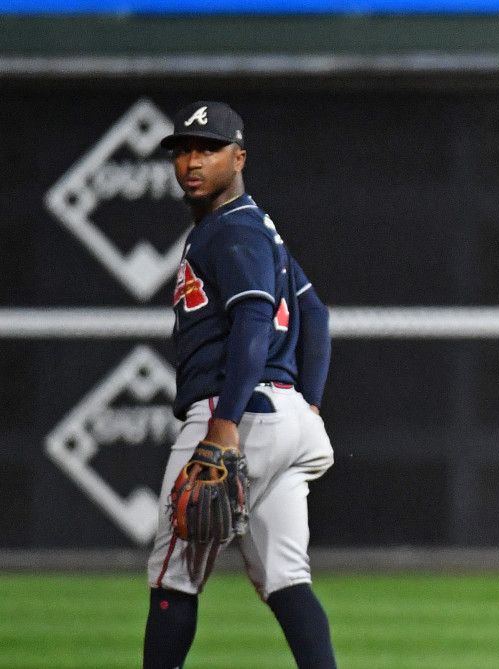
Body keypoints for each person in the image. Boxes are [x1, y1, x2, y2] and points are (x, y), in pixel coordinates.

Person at [143, 100, 337, 669]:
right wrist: (312, 408)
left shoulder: (230, 229)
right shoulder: (261, 231)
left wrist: (223, 429)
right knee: (285, 577)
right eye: (182, 150)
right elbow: (316, 316)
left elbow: (253, 318)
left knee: (173, 576)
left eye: (207, 149)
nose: (191, 162)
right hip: (286, 419)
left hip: (232, 415)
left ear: (240, 157)